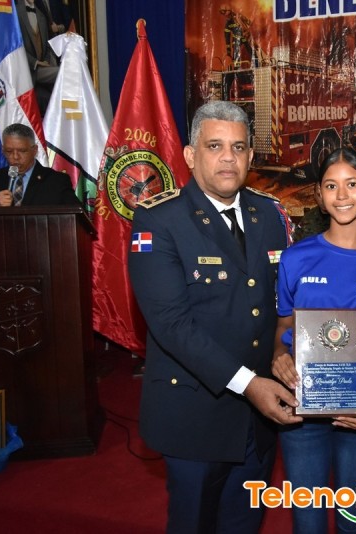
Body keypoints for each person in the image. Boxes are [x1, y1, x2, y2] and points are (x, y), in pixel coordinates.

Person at [127, 101, 302, 534]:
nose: (228, 157)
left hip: (259, 418)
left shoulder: (270, 214)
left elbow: (281, 304)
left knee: (244, 523)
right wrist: (250, 384)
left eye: (238, 147)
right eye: (215, 146)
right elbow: (171, 325)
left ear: (250, 156)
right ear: (191, 155)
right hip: (195, 414)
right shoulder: (158, 219)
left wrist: (286, 352)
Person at [271, 147, 356, 533]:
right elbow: (283, 327)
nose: (342, 195)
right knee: (307, 520)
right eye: (331, 186)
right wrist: (278, 355)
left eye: (352, 184)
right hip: (301, 407)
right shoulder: (296, 258)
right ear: (319, 194)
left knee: (354, 519)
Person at [0, 123, 79, 207]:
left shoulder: (57, 182)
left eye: (22, 151)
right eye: (9, 151)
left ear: (34, 150)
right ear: (3, 150)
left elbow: (76, 217)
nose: (15, 157)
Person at [16, 0, 60, 115]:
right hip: (27, 70)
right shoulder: (16, 13)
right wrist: (35, 62)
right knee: (62, 72)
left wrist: (45, 61)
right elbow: (15, 47)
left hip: (42, 69)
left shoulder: (41, 16)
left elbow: (47, 45)